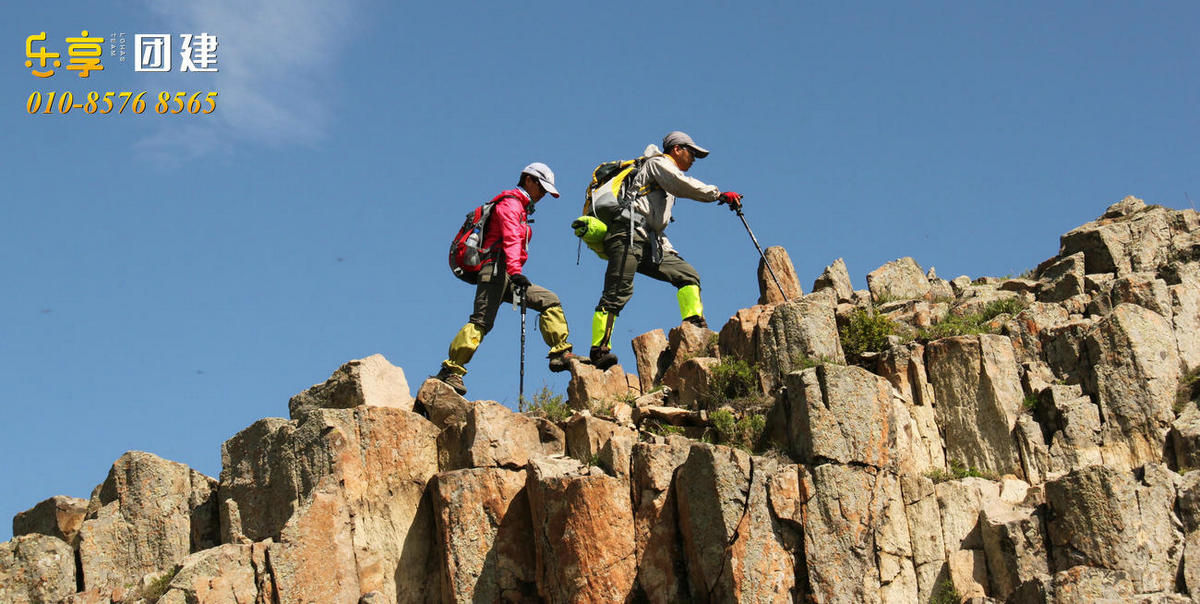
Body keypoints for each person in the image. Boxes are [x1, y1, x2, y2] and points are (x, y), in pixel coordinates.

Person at [589, 131, 743, 369]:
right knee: (617, 291)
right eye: (692, 153)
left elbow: (656, 225)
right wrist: (718, 194)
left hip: (650, 241)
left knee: (687, 274)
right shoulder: (658, 164)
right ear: (677, 149)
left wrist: (670, 253)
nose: (694, 159)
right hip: (627, 234)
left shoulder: (666, 179)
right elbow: (682, 185)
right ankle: (599, 349)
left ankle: (694, 327)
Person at [435, 162, 575, 395]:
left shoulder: (521, 208)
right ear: (528, 180)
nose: (542, 195)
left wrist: (515, 273)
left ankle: (560, 354)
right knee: (481, 321)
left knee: (549, 300)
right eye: (541, 188)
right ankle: (451, 371)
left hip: (508, 274)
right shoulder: (510, 204)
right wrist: (516, 272)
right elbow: (510, 240)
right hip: (495, 271)